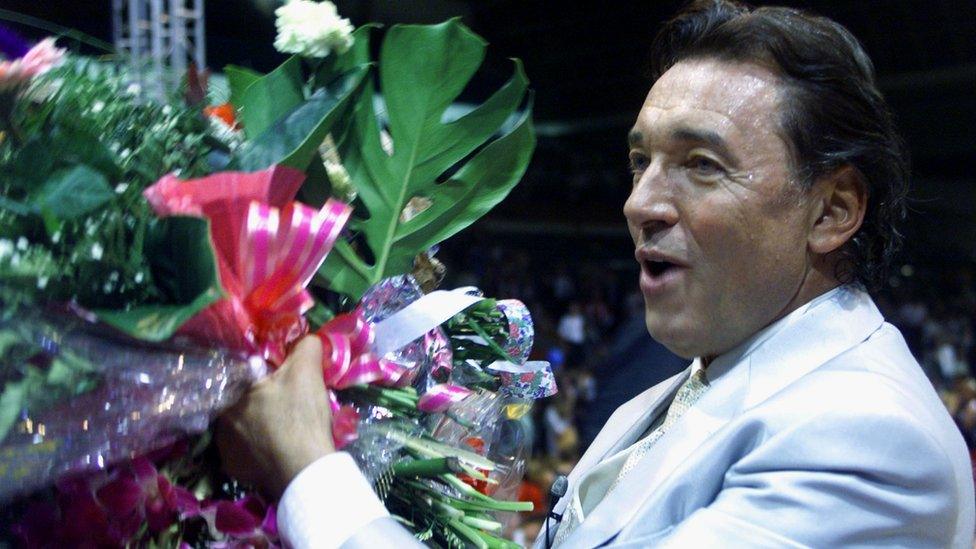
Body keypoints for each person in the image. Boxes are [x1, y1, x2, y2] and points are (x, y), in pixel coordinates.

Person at [216, 1, 976, 547]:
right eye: (641, 160)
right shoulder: (660, 400)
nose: (641, 202)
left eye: (701, 166)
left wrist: (310, 474)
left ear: (832, 210)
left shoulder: (865, 436)